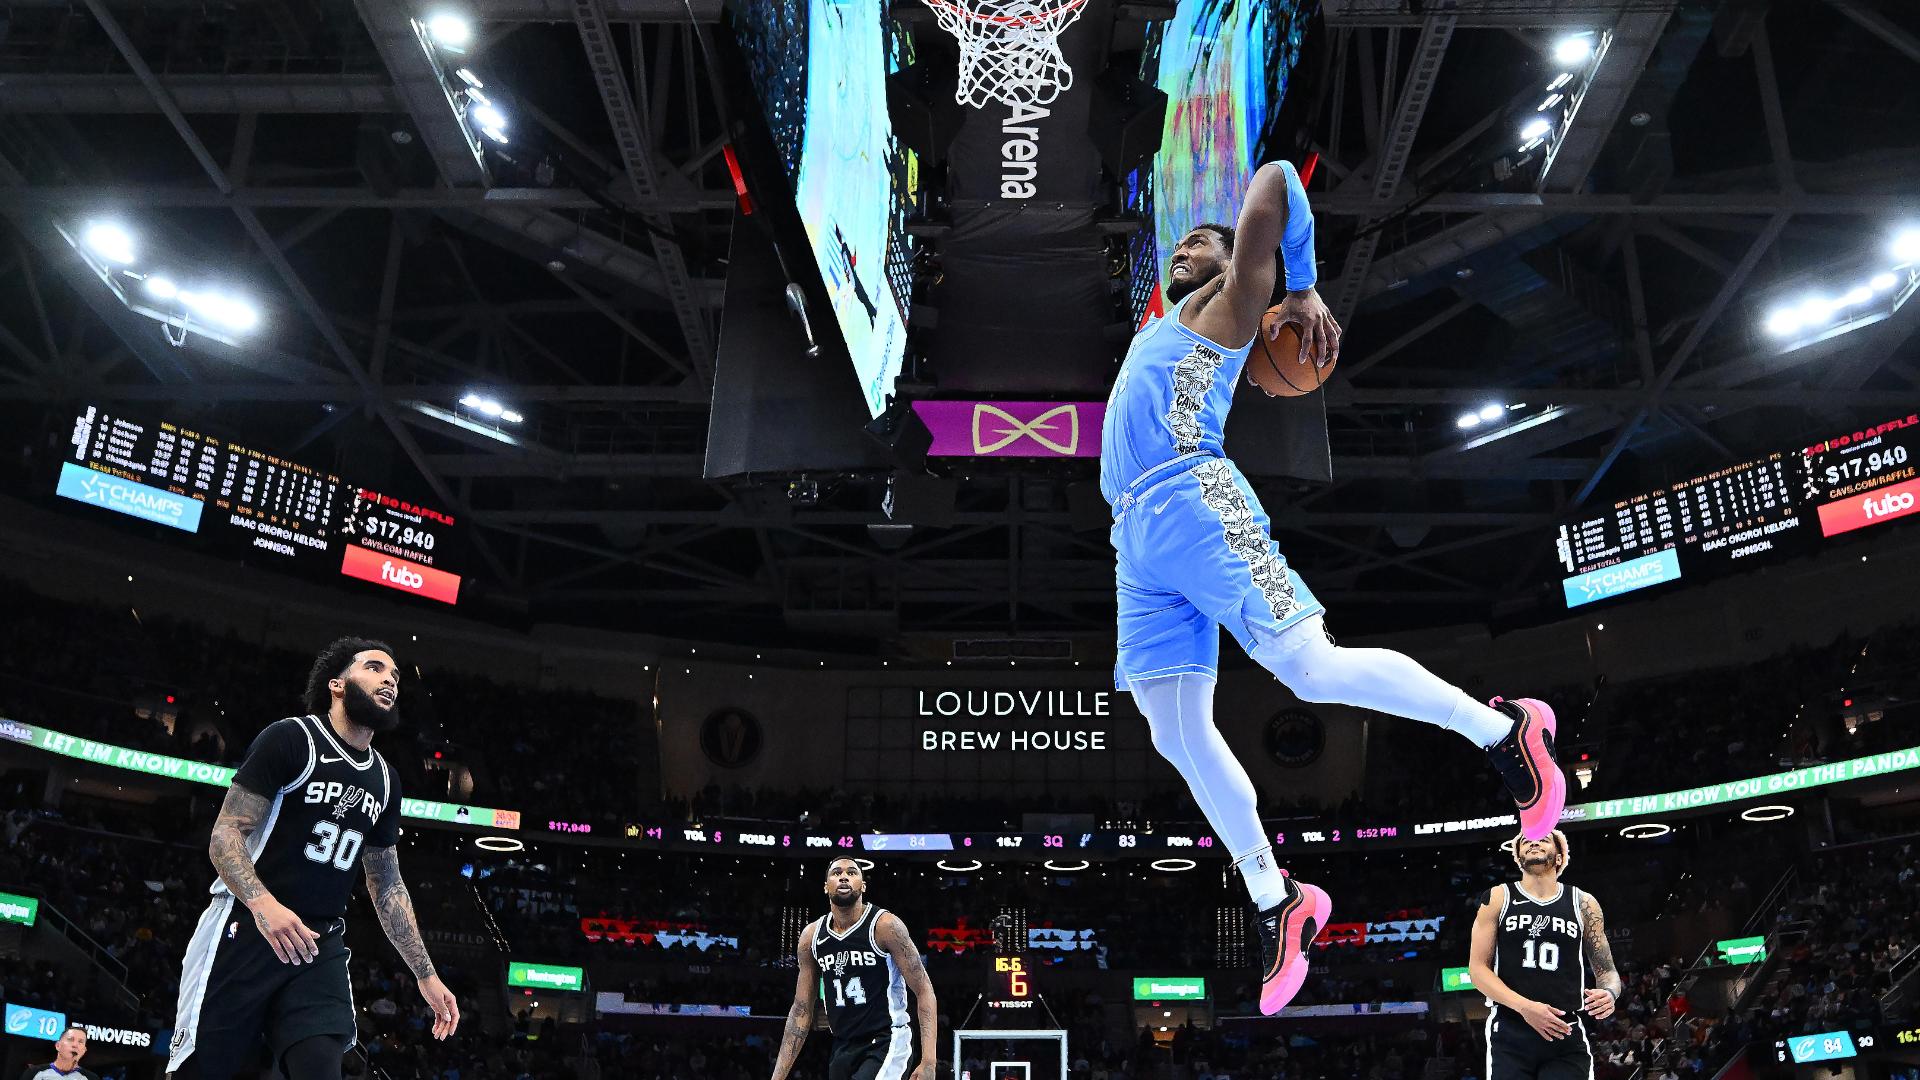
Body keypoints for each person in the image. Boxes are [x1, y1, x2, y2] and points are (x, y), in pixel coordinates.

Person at [1099, 156, 1568, 1015]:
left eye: (1204, 239)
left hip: (1194, 499)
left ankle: (1504, 734)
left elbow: (1276, 178)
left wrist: (1303, 287)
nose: (1186, 247)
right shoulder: (1160, 326)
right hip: (1137, 538)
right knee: (1171, 728)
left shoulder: (1233, 305)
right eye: (1183, 242)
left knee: (1309, 669)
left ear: (1243, 269)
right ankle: (1280, 902)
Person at [166, 638, 461, 1079]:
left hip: (317, 944)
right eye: (377, 669)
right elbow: (226, 833)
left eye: (396, 677)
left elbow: (387, 883)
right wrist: (264, 906)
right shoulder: (291, 738)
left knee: (322, 1068)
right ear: (337, 685)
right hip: (246, 927)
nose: (391, 681)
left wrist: (425, 973)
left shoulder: (386, 779)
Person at [1467, 831, 1623, 1079]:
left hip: (1564, 1031)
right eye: (1526, 840)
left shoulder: (1583, 902)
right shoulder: (1498, 896)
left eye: (1543, 838)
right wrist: (1526, 1007)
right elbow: (1477, 970)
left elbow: (1608, 971)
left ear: (1560, 857)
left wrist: (1610, 992)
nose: (1533, 841)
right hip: (1511, 1028)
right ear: (1518, 857)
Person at [769, 858, 936, 1080]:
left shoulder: (885, 926)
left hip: (887, 1039)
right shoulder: (811, 937)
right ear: (826, 886)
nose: (844, 876)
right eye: (836, 872)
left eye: (852, 872)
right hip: (843, 1045)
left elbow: (924, 989)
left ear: (863, 886)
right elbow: (801, 1010)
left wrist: (929, 1061)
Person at [18, 1027, 96, 1080]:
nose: (75, 1045)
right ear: (58, 1046)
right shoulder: (34, 1073)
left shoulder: (91, 1078)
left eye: (80, 1042)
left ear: (84, 1051)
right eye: (70, 1039)